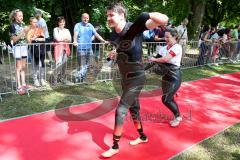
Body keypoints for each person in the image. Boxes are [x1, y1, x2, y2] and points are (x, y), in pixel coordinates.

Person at [101, 3, 169, 158]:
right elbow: (121, 49)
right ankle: (143, 136)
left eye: (111, 15)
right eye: (108, 15)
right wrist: (115, 53)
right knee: (134, 109)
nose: (109, 18)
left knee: (121, 110)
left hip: (136, 77)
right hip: (124, 78)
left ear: (121, 15)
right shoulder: (113, 34)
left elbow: (163, 19)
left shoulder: (135, 28)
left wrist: (147, 14)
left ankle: (115, 145)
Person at [149, 28, 182, 127]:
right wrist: (142, 68)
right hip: (166, 76)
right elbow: (154, 61)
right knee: (168, 97)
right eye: (165, 36)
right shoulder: (163, 48)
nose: (165, 38)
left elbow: (165, 59)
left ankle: (178, 116)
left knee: (166, 99)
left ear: (175, 37)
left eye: (168, 37)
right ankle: (174, 92)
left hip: (174, 75)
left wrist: (154, 59)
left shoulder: (177, 47)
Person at [73, 13, 107, 82]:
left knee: (89, 64)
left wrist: (103, 40)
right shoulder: (78, 25)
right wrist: (75, 41)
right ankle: (80, 78)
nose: (86, 19)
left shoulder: (90, 25)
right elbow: (75, 34)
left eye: (87, 18)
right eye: (84, 18)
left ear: (88, 18)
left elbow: (96, 34)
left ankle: (79, 76)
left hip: (89, 48)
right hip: (81, 48)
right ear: (81, 18)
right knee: (82, 64)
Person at [9, 9, 30, 94]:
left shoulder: (23, 25)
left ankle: (24, 84)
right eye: (19, 16)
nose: (21, 17)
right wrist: (23, 32)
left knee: (24, 66)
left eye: (22, 15)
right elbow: (14, 40)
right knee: (18, 67)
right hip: (17, 47)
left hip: (24, 47)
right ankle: (19, 86)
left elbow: (25, 37)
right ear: (15, 17)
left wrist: (28, 33)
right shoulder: (12, 26)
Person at [26, 17, 46, 87]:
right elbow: (29, 41)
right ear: (31, 23)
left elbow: (43, 39)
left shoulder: (40, 30)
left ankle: (42, 79)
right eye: (34, 22)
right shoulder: (29, 31)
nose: (36, 23)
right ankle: (35, 80)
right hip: (33, 50)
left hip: (41, 50)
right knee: (34, 65)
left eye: (36, 22)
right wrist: (34, 39)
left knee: (42, 64)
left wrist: (35, 38)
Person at [52, 16, 72, 85]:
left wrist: (63, 39)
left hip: (66, 48)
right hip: (58, 48)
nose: (62, 23)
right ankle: (54, 79)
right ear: (58, 23)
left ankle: (62, 78)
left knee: (64, 64)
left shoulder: (67, 30)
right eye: (61, 22)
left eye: (63, 22)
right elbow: (57, 38)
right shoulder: (55, 29)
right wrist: (64, 39)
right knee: (58, 63)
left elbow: (69, 39)